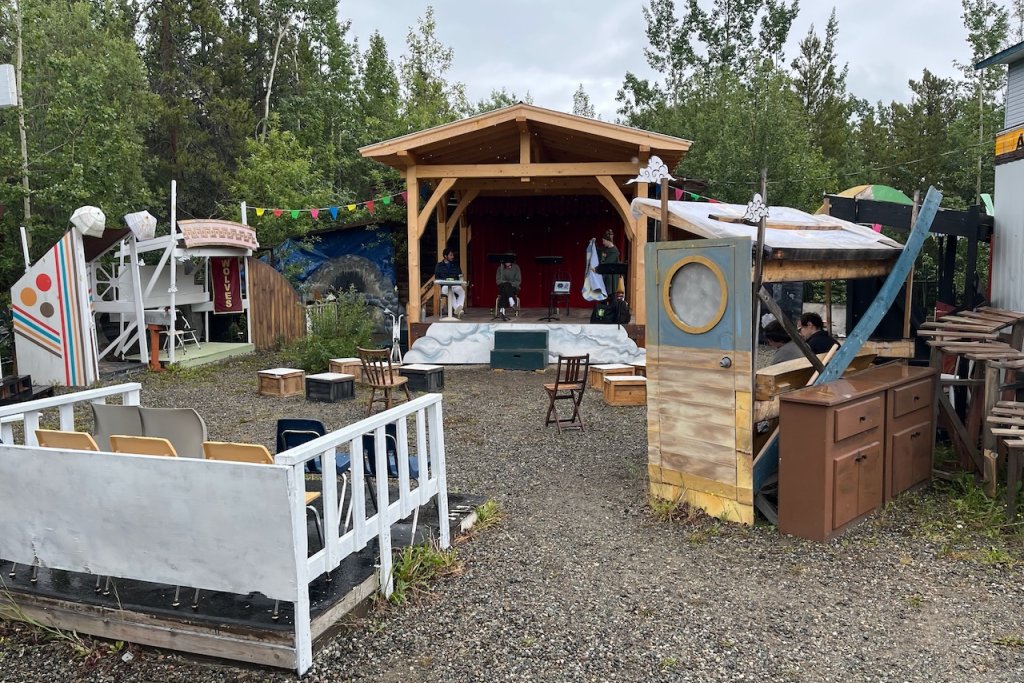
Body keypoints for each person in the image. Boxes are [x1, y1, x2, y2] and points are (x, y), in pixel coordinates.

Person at [434, 248, 465, 318]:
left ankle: (458, 309)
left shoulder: (456, 265)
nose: (452, 257)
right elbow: (437, 277)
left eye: (452, 255)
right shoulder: (439, 266)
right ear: (445, 256)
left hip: (455, 285)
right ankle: (459, 310)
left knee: (462, 291)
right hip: (445, 286)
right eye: (451, 255)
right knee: (450, 293)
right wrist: (445, 280)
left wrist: (459, 279)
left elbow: (459, 275)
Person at [597, 228, 620, 300]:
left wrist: (597, 269)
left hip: (611, 278)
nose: (603, 243)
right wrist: (593, 244)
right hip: (604, 276)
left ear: (608, 241)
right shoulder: (604, 249)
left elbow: (607, 263)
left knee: (611, 297)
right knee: (603, 298)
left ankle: (611, 310)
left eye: (604, 241)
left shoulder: (615, 251)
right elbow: (598, 252)